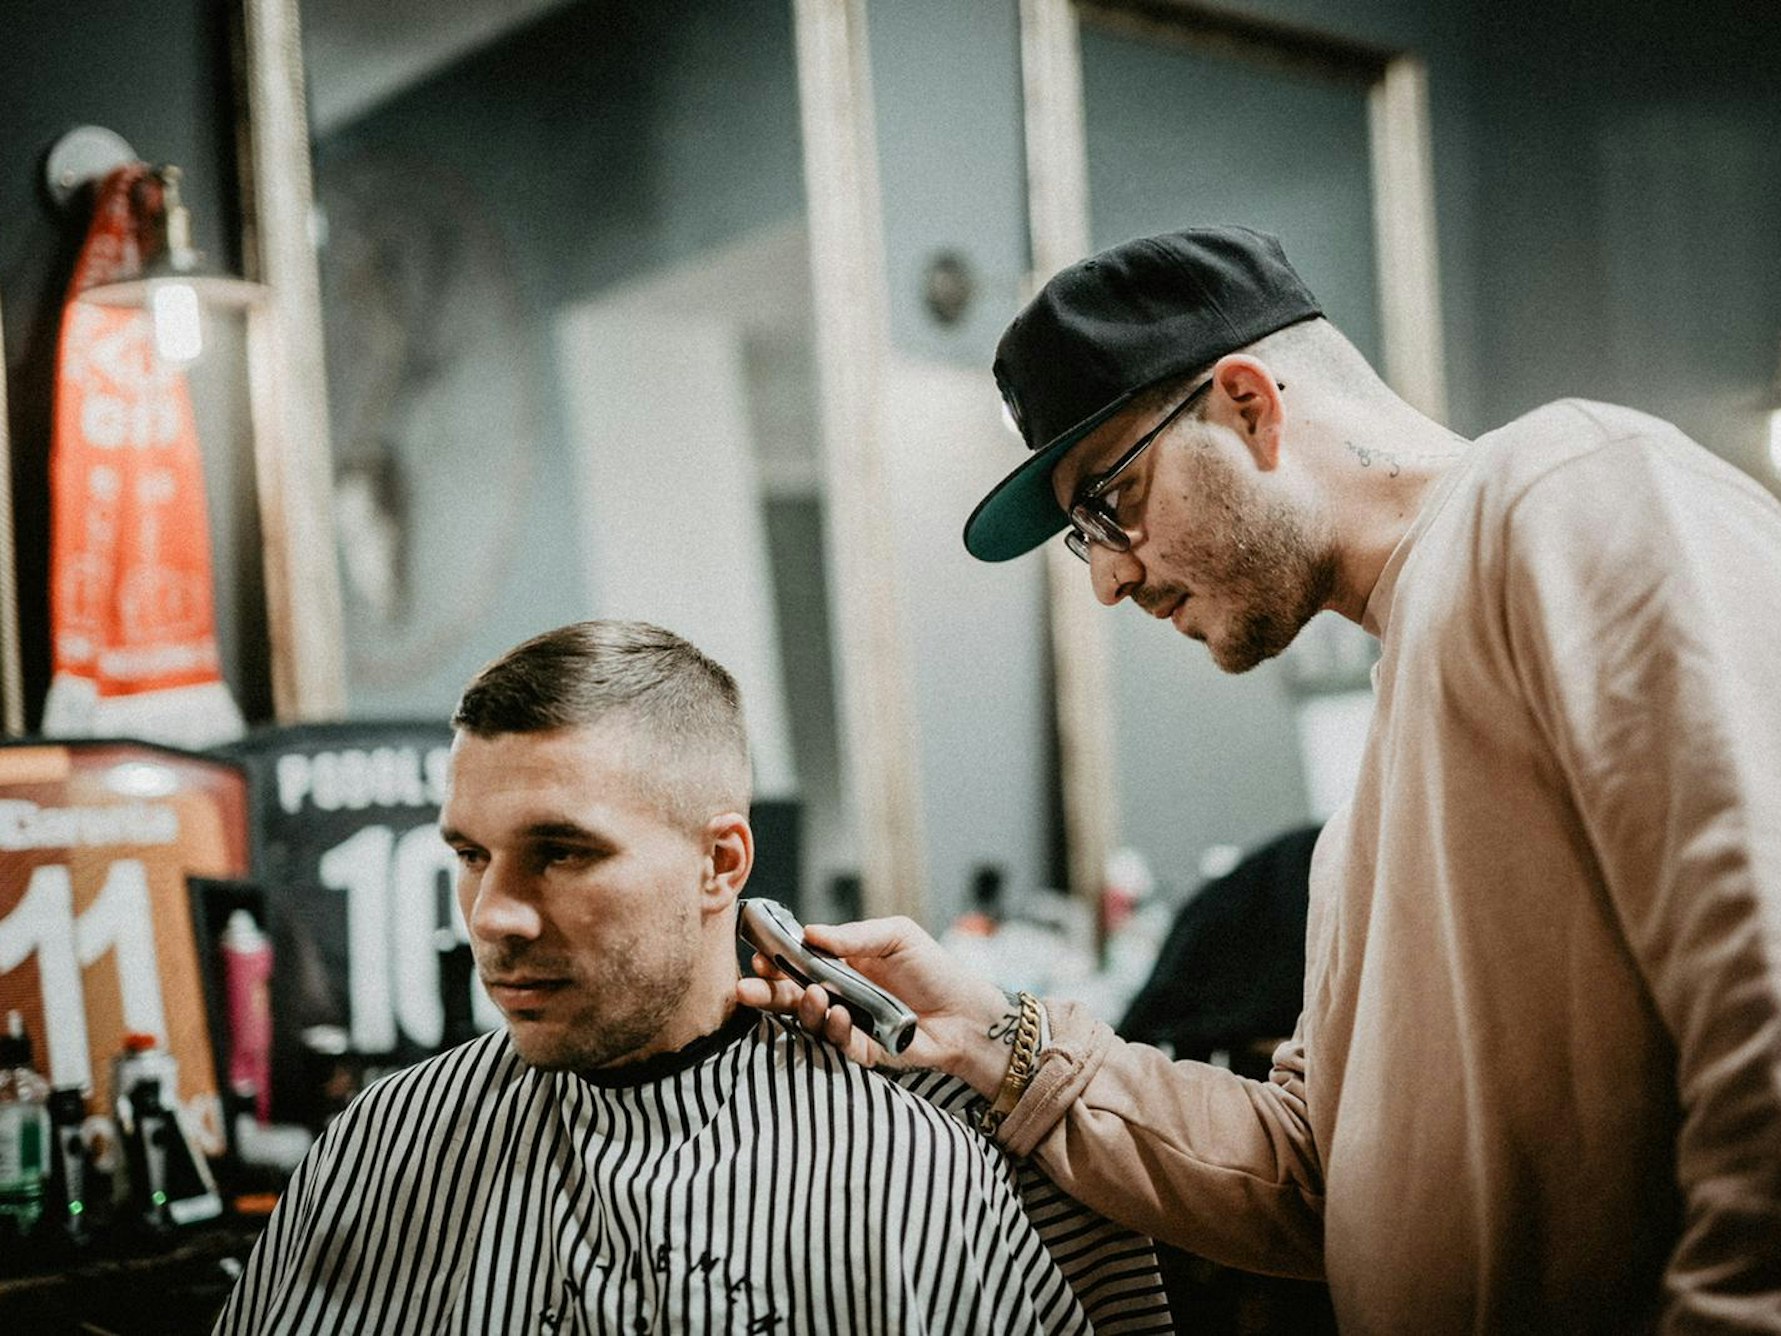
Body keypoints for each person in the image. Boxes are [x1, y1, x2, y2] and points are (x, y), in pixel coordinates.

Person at [740, 227, 1781, 1332]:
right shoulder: (1362, 813)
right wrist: (996, 1039)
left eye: (1110, 501)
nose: (1105, 578)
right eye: (1079, 539)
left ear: (1248, 404)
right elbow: (1311, 1177)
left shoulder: (1569, 493)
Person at [215, 621, 1171, 1334]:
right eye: (471, 854)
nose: (491, 913)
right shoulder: (385, 1144)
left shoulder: (904, 1167)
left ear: (720, 864)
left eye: (560, 852)